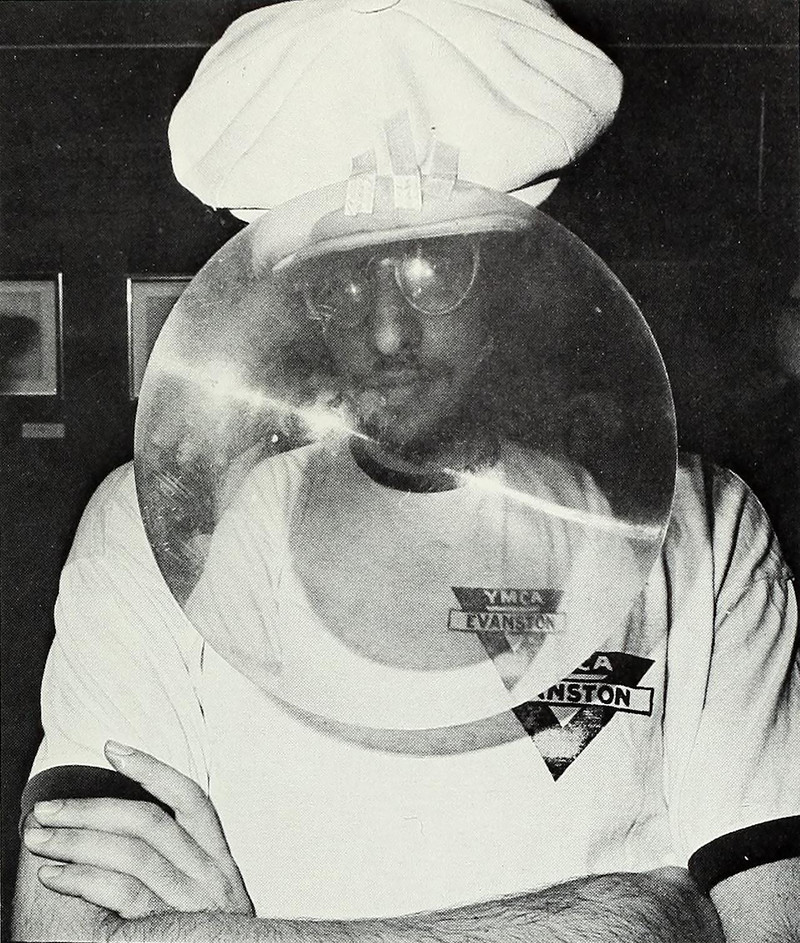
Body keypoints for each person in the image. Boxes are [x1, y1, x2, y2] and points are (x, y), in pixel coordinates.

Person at [12, 1, 800, 941]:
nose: (387, 332)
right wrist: (650, 913)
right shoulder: (161, 530)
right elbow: (61, 931)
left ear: (510, 273)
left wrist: (226, 933)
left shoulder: (705, 532)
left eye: (434, 272)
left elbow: (771, 927)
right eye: (345, 283)